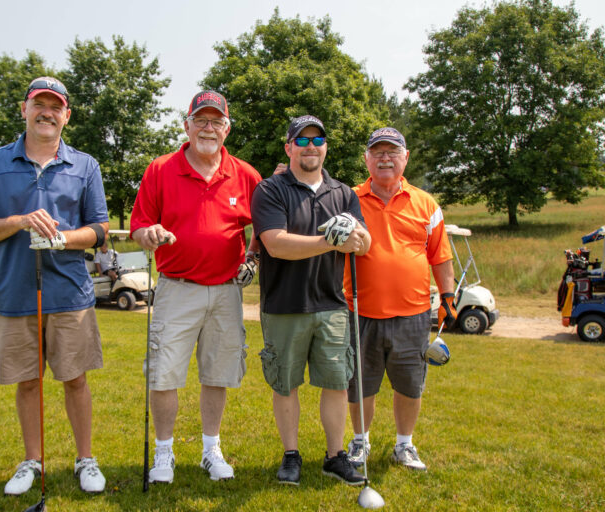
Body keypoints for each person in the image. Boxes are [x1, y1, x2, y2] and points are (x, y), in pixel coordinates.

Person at [0, 76, 110, 495]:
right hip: (16, 292)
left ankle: (85, 459)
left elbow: (100, 230)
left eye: (55, 107)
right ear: (25, 110)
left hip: (70, 293)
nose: (47, 113)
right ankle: (32, 461)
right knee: (27, 381)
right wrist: (18, 221)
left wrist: (63, 238)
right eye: (39, 104)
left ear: (67, 115)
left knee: (75, 379)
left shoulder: (85, 165)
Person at [130, 90, 262, 484]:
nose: (208, 128)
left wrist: (252, 257)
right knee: (163, 374)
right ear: (186, 126)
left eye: (216, 121)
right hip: (176, 288)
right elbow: (139, 226)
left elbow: (265, 224)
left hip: (226, 291)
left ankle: (210, 449)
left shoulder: (245, 174)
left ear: (227, 129)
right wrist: (148, 234)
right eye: (200, 120)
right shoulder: (160, 169)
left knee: (218, 374)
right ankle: (164, 452)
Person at [252, 115, 371, 486]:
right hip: (284, 305)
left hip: (331, 305)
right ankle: (291, 454)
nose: (310, 147)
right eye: (301, 141)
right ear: (289, 147)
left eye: (317, 140)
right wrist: (330, 241)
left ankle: (335, 456)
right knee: (285, 384)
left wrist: (357, 238)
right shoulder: (270, 190)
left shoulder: (343, 194)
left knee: (336, 382)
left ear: (325, 147)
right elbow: (276, 243)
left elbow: (364, 243)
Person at [344, 127, 455, 473]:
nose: (385, 159)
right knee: (360, 384)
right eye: (378, 152)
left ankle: (404, 444)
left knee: (410, 384)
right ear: (367, 159)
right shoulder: (348, 199)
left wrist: (448, 296)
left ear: (405, 158)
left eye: (392, 152)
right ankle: (360, 440)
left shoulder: (426, 203)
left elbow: (440, 256)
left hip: (414, 313)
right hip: (360, 311)